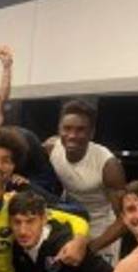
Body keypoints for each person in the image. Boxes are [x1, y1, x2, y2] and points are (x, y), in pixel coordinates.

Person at [46, 100, 127, 263]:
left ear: (91, 133)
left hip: (102, 230)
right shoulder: (51, 148)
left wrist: (91, 248)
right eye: (67, 129)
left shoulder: (108, 165)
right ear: (59, 130)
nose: (72, 136)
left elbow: (125, 219)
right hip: (73, 223)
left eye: (80, 130)